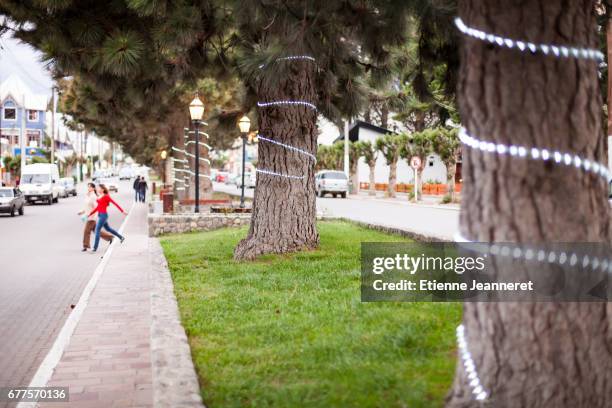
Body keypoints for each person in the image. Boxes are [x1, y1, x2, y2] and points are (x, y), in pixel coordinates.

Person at [89, 184, 127, 253]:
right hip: (100, 215)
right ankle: (121, 237)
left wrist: (122, 211)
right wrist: (91, 213)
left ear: (102, 189)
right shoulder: (99, 196)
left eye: (99, 188)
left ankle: (94, 248)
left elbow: (115, 203)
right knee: (108, 229)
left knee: (97, 230)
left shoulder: (106, 196)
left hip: (103, 215)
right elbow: (98, 207)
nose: (97, 189)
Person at [78, 183, 114, 252]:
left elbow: (96, 207)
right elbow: (86, 206)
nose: (88, 188)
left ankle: (86, 246)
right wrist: (82, 212)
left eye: (90, 187)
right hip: (88, 216)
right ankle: (110, 238)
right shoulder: (88, 196)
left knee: (86, 231)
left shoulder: (93, 196)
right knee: (97, 231)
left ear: (93, 188)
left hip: (92, 217)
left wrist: (94, 216)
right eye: (87, 187)